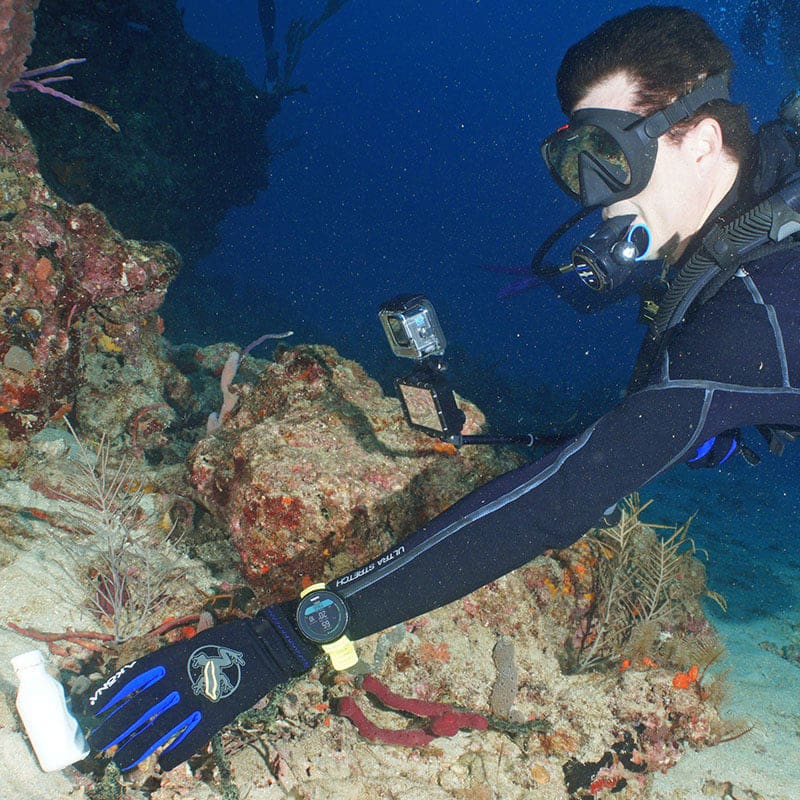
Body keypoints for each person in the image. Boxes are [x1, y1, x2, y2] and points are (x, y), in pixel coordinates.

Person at [85, 5, 800, 772]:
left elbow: (562, 499)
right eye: (573, 161)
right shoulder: (748, 213)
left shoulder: (755, 304)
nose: (593, 197)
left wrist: (287, 637)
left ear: (701, 141)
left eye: (611, 157)